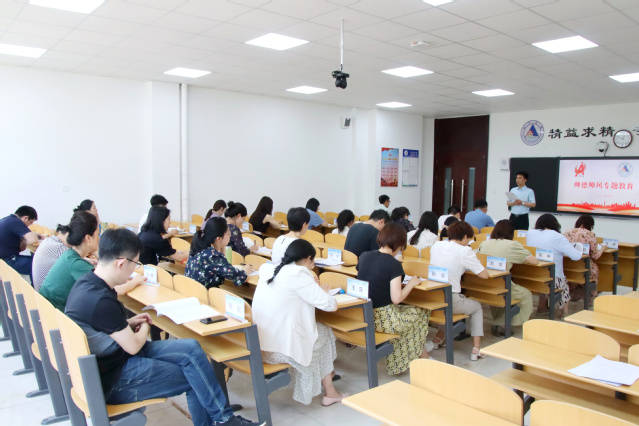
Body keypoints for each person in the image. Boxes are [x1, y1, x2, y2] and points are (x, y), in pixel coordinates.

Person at [64, 228, 264, 426]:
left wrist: (129, 323)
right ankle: (225, 420)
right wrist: (145, 322)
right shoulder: (101, 300)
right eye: (135, 263)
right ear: (121, 263)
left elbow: (101, 327)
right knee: (196, 377)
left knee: (192, 348)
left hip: (112, 360)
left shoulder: (87, 283)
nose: (134, 270)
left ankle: (224, 419)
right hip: (114, 379)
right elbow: (133, 346)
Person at [253, 239, 346, 406]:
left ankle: (328, 383)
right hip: (280, 349)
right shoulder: (299, 274)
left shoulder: (269, 269)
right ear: (308, 258)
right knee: (324, 334)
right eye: (313, 261)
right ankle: (330, 391)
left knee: (320, 333)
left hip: (260, 344)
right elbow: (331, 305)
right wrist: (322, 291)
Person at [356, 222, 431, 374]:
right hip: (385, 319)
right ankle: (404, 360)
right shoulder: (394, 264)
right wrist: (411, 283)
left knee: (409, 322)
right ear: (399, 245)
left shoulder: (365, 256)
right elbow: (396, 299)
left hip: (364, 315)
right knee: (422, 312)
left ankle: (419, 354)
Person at [40, 211, 144, 311]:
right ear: (88, 238)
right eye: (98, 234)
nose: (99, 238)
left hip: (48, 309)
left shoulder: (69, 255)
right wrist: (134, 282)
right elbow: (113, 289)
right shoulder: (78, 265)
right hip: (58, 313)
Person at [430, 221, 490, 361]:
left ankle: (439, 338)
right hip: (450, 299)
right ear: (465, 236)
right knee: (477, 307)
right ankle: (476, 349)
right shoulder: (464, 251)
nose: (469, 243)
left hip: (434, 297)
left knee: (446, 306)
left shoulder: (437, 245)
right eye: (469, 239)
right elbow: (484, 275)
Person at [478, 220, 538, 335]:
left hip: (485, 285)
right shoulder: (512, 245)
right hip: (503, 286)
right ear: (511, 232)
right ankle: (509, 323)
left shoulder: (484, 243)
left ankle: (499, 322)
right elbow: (534, 261)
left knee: (499, 297)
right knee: (526, 295)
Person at [527, 214, 581, 317]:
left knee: (544, 274)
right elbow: (576, 256)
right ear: (555, 224)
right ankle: (565, 313)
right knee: (564, 285)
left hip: (533, 276)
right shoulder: (558, 237)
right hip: (553, 280)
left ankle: (542, 308)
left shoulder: (530, 233)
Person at [186, 217, 253, 288]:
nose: (230, 235)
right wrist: (246, 270)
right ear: (218, 239)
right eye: (228, 233)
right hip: (205, 293)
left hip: (193, 291)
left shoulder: (200, 248)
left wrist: (222, 246)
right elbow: (238, 277)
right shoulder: (213, 256)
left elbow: (226, 266)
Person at [564, 214, 607, 304]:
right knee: (595, 268)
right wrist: (603, 248)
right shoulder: (590, 234)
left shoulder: (567, 232)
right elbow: (595, 256)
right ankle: (590, 298)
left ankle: (574, 294)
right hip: (584, 267)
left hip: (568, 267)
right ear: (590, 225)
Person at [0, 205, 41, 283]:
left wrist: (23, 239)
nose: (29, 225)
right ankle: (37, 289)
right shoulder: (16, 222)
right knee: (38, 265)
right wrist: (23, 241)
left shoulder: (7, 219)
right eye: (30, 222)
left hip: (3, 260)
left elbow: (29, 235)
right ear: (25, 218)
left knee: (34, 260)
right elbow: (33, 240)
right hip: (8, 261)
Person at [32, 224, 71, 292]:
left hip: (41, 291)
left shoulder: (48, 241)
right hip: (47, 295)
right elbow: (78, 263)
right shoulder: (59, 247)